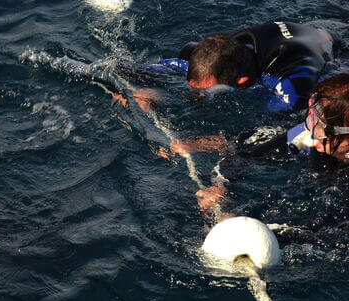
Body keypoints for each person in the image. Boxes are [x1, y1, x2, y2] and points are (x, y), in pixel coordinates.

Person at [171, 73, 349, 213]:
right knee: (261, 138)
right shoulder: (310, 135)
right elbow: (249, 156)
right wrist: (220, 186)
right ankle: (227, 142)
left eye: (320, 129)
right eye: (312, 119)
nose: (310, 133)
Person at [129, 21, 334, 113]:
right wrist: (138, 90)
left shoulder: (288, 82)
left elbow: (286, 134)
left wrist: (223, 144)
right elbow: (124, 69)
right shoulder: (196, 58)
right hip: (296, 31)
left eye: (208, 94)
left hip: (335, 37)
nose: (194, 100)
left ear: (242, 84)